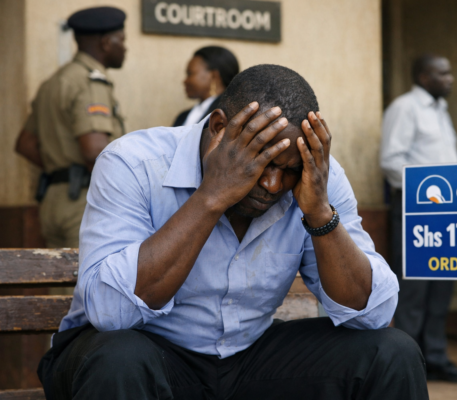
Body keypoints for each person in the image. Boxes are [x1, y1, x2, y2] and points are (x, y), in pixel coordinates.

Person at [37, 64, 429, 400]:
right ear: (220, 128)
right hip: (145, 354)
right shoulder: (134, 163)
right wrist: (212, 196)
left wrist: (319, 213)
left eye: (288, 170)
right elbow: (111, 314)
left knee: (391, 353)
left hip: (248, 358)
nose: (273, 185)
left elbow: (373, 315)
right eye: (262, 162)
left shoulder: (316, 176)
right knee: (119, 358)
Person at [380, 54, 457, 383]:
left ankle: (435, 357)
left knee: (442, 285)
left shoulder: (440, 110)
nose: (450, 78)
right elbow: (391, 160)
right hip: (417, 209)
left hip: (447, 212)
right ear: (423, 76)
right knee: (415, 289)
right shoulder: (405, 107)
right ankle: (409, 365)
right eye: (442, 73)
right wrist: (429, 191)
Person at [14, 6, 127, 248]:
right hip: (84, 199)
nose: (125, 48)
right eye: (122, 40)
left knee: (60, 270)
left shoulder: (53, 82)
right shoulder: (90, 81)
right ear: (106, 43)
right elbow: (94, 151)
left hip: (53, 199)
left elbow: (26, 144)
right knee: (88, 272)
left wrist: (62, 169)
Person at [173, 46, 239, 127]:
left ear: (213, 76)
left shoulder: (227, 114)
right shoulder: (182, 116)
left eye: (190, 73)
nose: (185, 81)